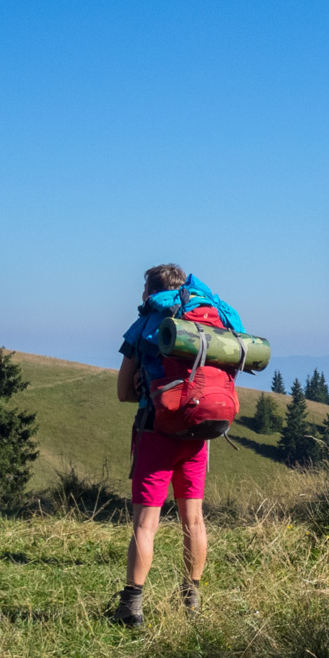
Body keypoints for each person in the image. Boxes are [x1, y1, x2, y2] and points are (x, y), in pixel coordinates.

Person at [112, 263, 244, 627]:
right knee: (194, 519)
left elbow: (123, 392)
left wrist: (143, 380)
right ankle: (191, 599)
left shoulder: (144, 325)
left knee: (145, 524)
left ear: (151, 291)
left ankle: (131, 607)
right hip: (199, 431)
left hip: (156, 431)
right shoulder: (209, 320)